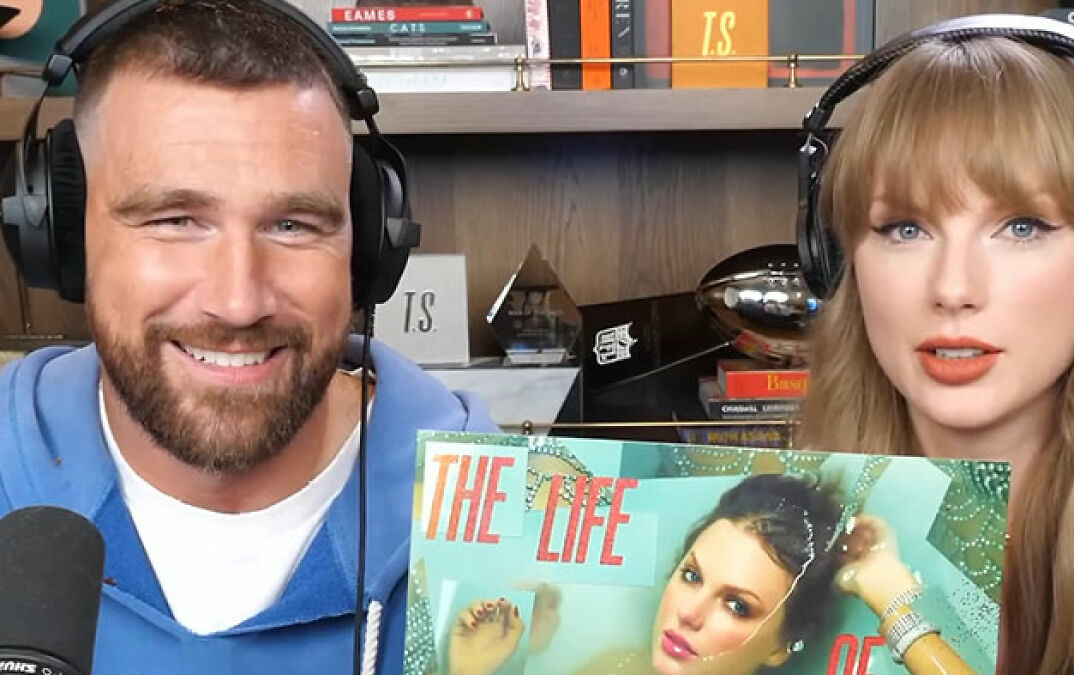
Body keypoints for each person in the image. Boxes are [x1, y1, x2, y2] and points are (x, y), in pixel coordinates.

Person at [0, 1, 496, 673]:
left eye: (293, 224)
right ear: (62, 237)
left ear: (370, 246)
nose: (238, 302)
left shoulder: (516, 527)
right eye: (174, 220)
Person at [797, 19, 1074, 675]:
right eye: (904, 227)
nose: (954, 288)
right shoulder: (772, 515)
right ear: (838, 261)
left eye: (1022, 225)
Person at [445, 473, 972, 674]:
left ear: (781, 646)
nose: (688, 614)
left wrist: (892, 599)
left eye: (737, 605)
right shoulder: (615, 664)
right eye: (692, 575)